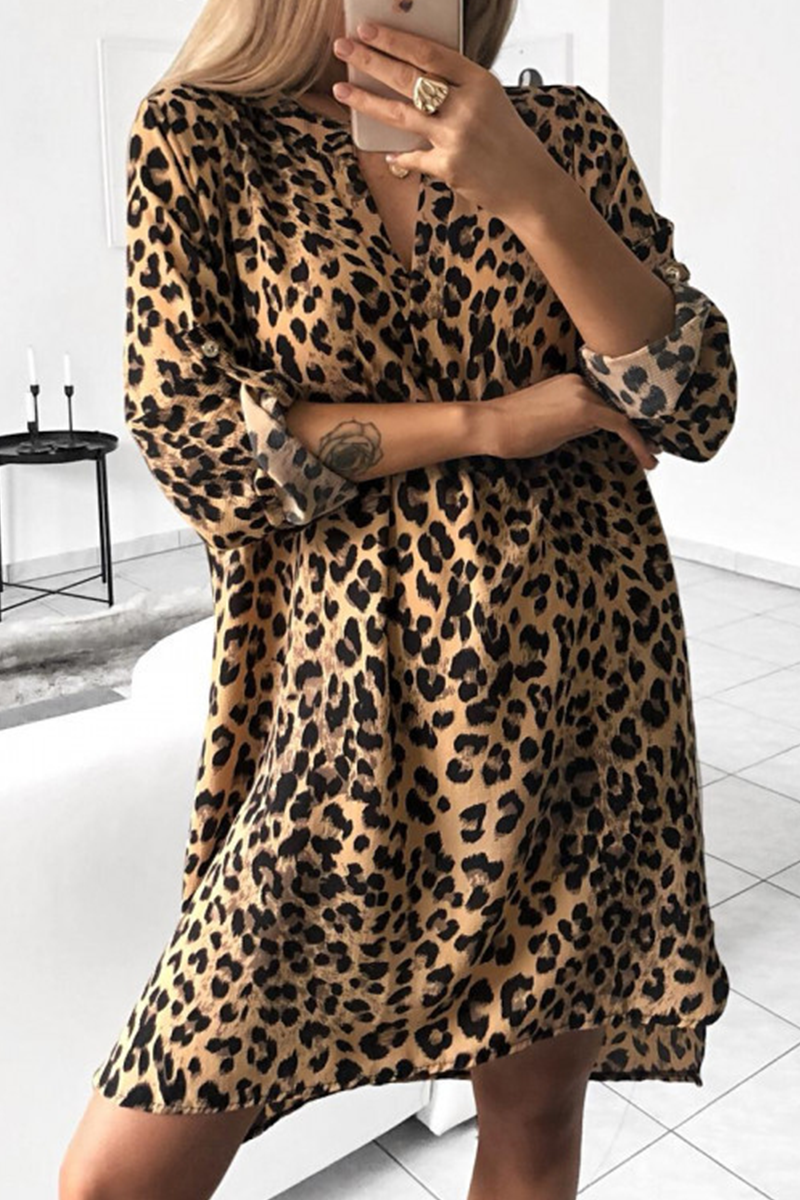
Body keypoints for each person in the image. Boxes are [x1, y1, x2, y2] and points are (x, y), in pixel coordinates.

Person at [59, 1, 736, 1197]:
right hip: (338, 718)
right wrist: (490, 422)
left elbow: (690, 404)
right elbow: (193, 441)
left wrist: (532, 189)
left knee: (533, 1123)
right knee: (119, 1175)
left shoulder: (560, 134)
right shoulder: (202, 136)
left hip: (579, 700)